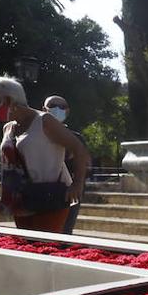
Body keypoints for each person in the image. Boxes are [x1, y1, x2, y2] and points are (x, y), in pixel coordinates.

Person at [0, 76, 89, 234]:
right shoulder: (8, 128)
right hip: (21, 201)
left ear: (9, 99)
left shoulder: (45, 121)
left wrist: (78, 184)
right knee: (27, 249)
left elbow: (78, 148)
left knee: (46, 250)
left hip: (50, 198)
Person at [44, 95, 87, 235]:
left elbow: (82, 166)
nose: (57, 109)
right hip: (39, 190)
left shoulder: (76, 139)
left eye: (62, 107)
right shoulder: (33, 136)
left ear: (67, 111)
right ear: (44, 109)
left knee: (64, 233)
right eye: (52, 105)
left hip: (67, 193)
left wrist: (77, 185)